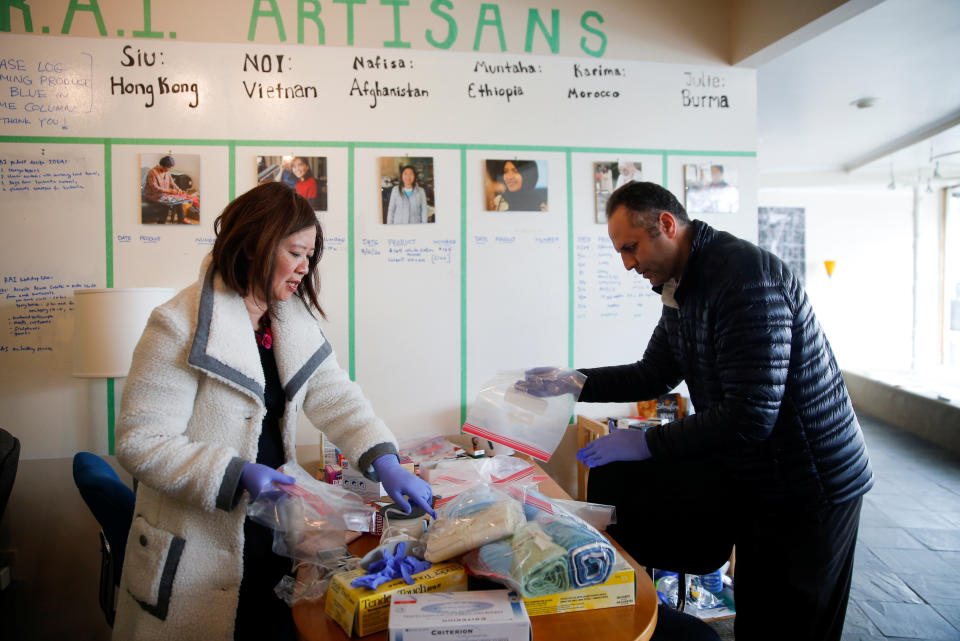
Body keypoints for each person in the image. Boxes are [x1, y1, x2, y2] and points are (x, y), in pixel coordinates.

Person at [519, 181, 873, 641]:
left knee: (797, 621)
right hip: (763, 482)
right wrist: (574, 381)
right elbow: (654, 372)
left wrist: (647, 443)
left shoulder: (744, 277)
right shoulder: (681, 287)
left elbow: (750, 414)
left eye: (631, 247)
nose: (627, 263)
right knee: (762, 615)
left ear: (666, 224)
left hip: (811, 485)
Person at [113, 182, 436, 641]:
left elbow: (337, 397)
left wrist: (385, 462)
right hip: (197, 545)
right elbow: (140, 443)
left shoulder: (288, 321)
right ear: (254, 247)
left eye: (311, 256)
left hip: (269, 534)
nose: (305, 269)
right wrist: (236, 473)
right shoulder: (178, 325)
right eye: (296, 253)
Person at [143, 155, 200, 223]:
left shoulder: (166, 172)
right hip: (153, 196)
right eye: (169, 168)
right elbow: (155, 188)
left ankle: (181, 219)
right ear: (163, 166)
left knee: (178, 200)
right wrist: (170, 191)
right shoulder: (152, 173)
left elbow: (172, 183)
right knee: (166, 204)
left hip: (163, 195)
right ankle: (161, 223)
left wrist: (178, 189)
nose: (169, 170)